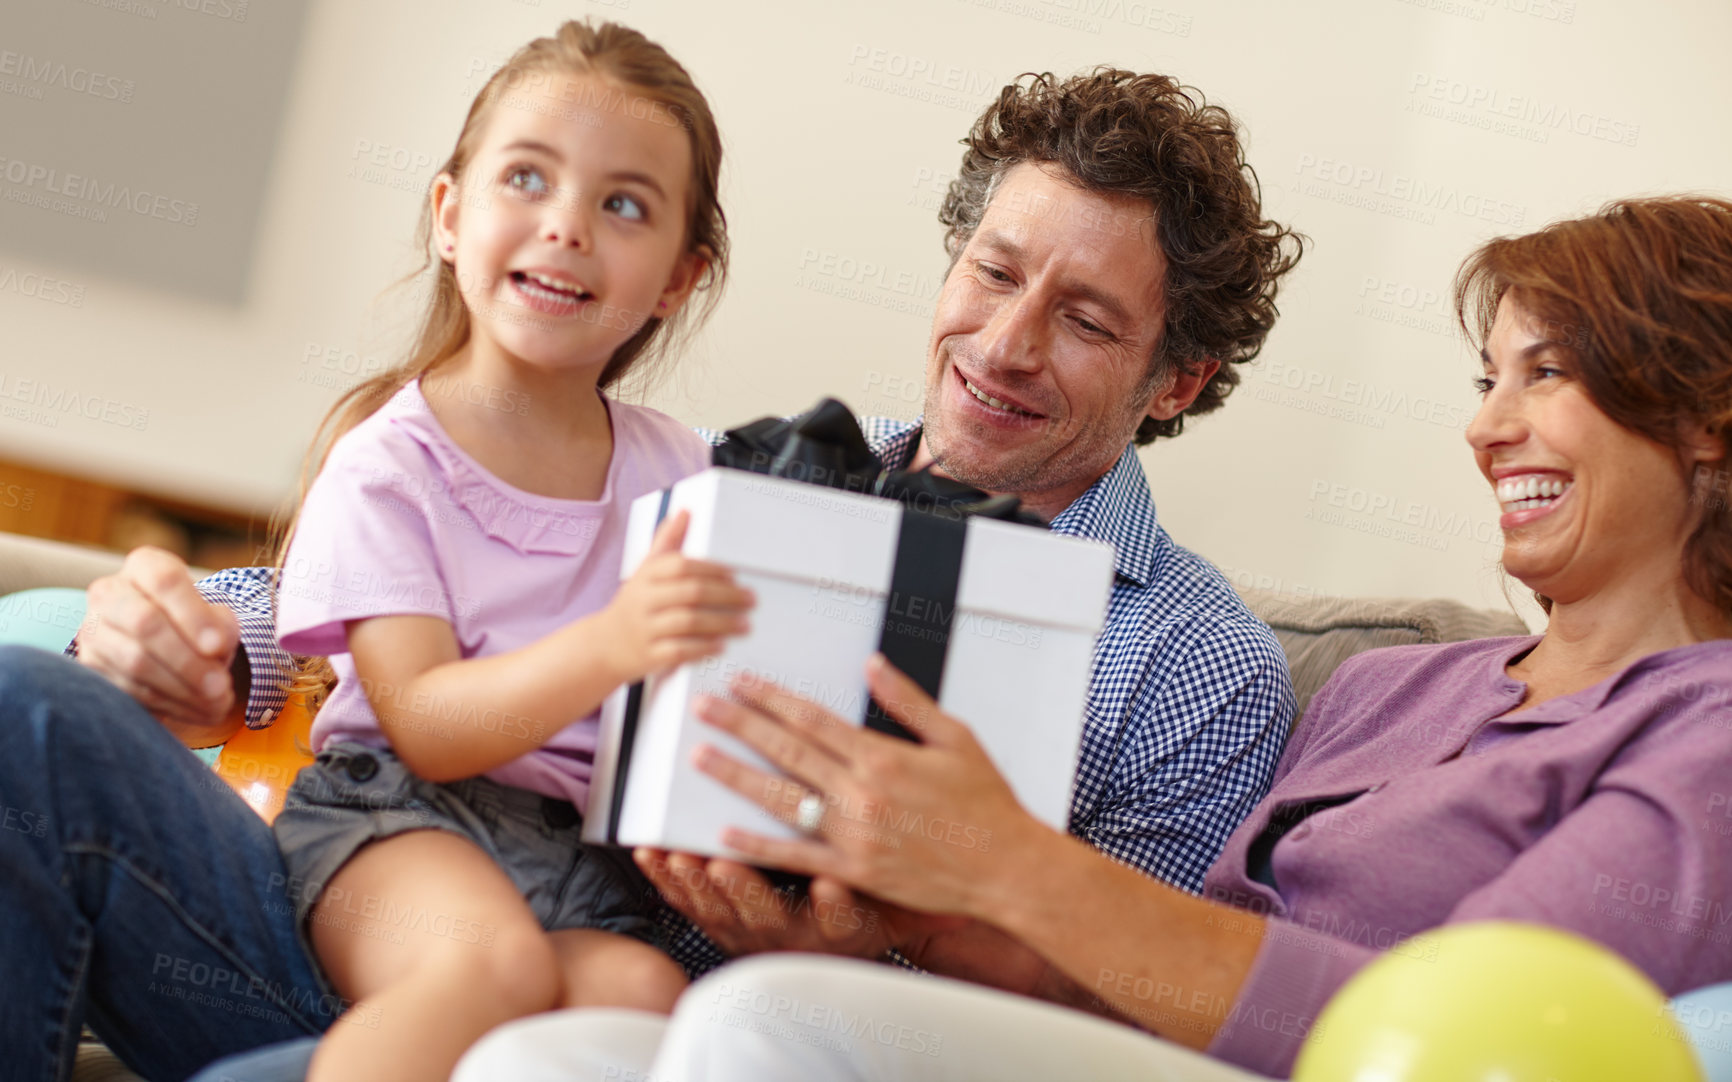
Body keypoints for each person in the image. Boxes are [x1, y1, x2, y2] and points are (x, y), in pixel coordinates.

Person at [0, 65, 1301, 1082]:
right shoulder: (749, 474)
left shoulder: (1198, 669)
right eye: (994, 272)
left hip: (656, 1028)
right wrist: (197, 637)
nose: (1004, 344)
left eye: (1083, 320)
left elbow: (1140, 1006)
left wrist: (877, 948)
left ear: (1177, 378)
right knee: (31, 705)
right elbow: (454, 578)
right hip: (397, 914)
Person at [540, 195, 1732, 1082]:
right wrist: (924, 915)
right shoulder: (1395, 684)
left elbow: (1469, 1034)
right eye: (1486, 378)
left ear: (1705, 423)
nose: (1485, 424)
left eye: (1546, 374)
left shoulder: (1708, 727)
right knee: (564, 1055)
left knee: (769, 1024)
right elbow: (1159, 981)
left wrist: (1002, 855)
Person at [267, 19, 757, 1082]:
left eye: (623, 204)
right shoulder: (388, 465)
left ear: (678, 276)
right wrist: (614, 642)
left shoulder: (691, 475)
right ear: (451, 215)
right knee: (483, 963)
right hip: (395, 819)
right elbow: (427, 721)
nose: (566, 226)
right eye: (526, 178)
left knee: (646, 1000)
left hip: (582, 865)